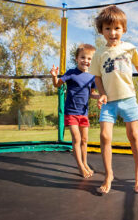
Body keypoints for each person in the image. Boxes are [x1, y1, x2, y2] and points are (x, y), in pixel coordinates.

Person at [89, 5, 138, 193]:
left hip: (128, 99)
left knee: (133, 135)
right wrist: (102, 93)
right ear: (101, 30)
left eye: (117, 28)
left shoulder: (130, 48)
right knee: (104, 136)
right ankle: (108, 174)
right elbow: (97, 78)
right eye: (108, 28)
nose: (112, 33)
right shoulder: (99, 54)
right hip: (109, 102)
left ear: (123, 29)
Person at [50, 44, 99, 178]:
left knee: (84, 139)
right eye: (83, 57)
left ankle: (85, 163)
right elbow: (57, 84)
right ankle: (80, 167)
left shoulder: (92, 77)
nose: (86, 61)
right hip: (71, 112)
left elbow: (92, 93)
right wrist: (54, 76)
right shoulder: (71, 73)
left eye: (89, 59)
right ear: (76, 58)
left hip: (84, 113)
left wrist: (100, 97)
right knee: (76, 139)